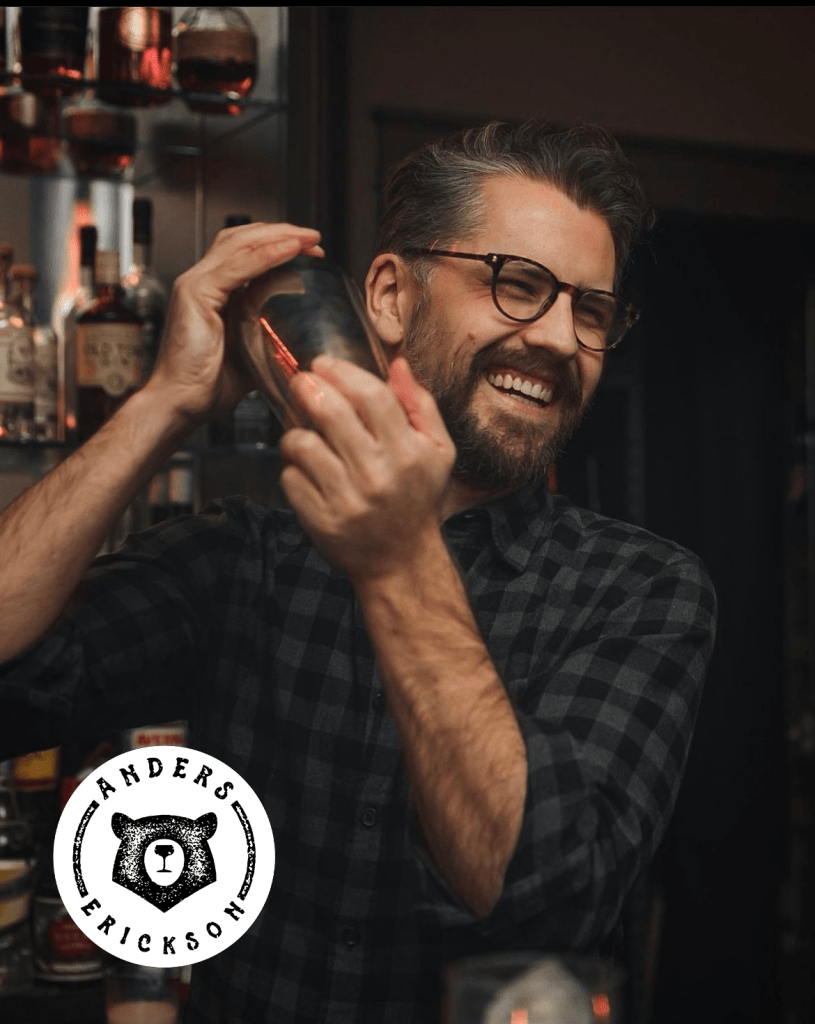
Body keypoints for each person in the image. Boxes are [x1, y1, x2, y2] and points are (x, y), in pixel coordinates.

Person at [0, 120, 716, 1023]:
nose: (560, 340)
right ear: (386, 294)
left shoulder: (642, 590)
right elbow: (14, 683)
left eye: (592, 312)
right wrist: (164, 403)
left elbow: (545, 891)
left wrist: (399, 558)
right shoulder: (246, 559)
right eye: (518, 285)